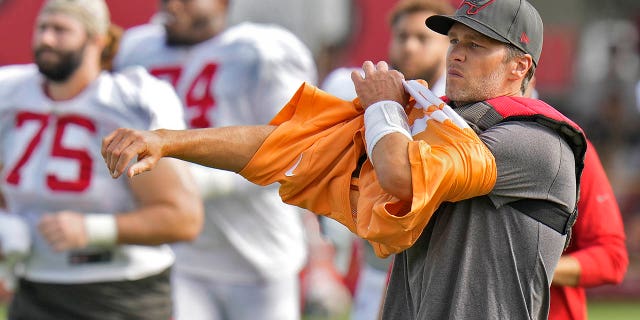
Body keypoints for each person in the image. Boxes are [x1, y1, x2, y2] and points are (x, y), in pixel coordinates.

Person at [102, 0, 588, 318]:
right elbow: (283, 145)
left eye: (476, 46)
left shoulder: (535, 142)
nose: (454, 55)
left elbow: (402, 175)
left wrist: (381, 105)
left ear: (520, 65)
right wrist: (169, 141)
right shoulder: (430, 120)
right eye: (455, 42)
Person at [113, 1, 317, 319]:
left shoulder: (263, 50)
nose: (173, 6)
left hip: (258, 253)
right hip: (180, 256)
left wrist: (198, 182)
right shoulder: (138, 49)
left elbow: (294, 150)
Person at [0, 1, 203, 319]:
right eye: (42, 28)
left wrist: (94, 229)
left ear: (97, 39)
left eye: (61, 30)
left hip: (119, 291)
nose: (47, 40)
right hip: (34, 287)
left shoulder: (126, 103)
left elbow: (183, 218)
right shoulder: (10, 92)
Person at [319, 1, 454, 319]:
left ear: (448, 46)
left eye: (422, 38)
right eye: (402, 36)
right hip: (376, 270)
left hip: (433, 277)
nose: (409, 46)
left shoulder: (459, 109)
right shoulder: (356, 90)